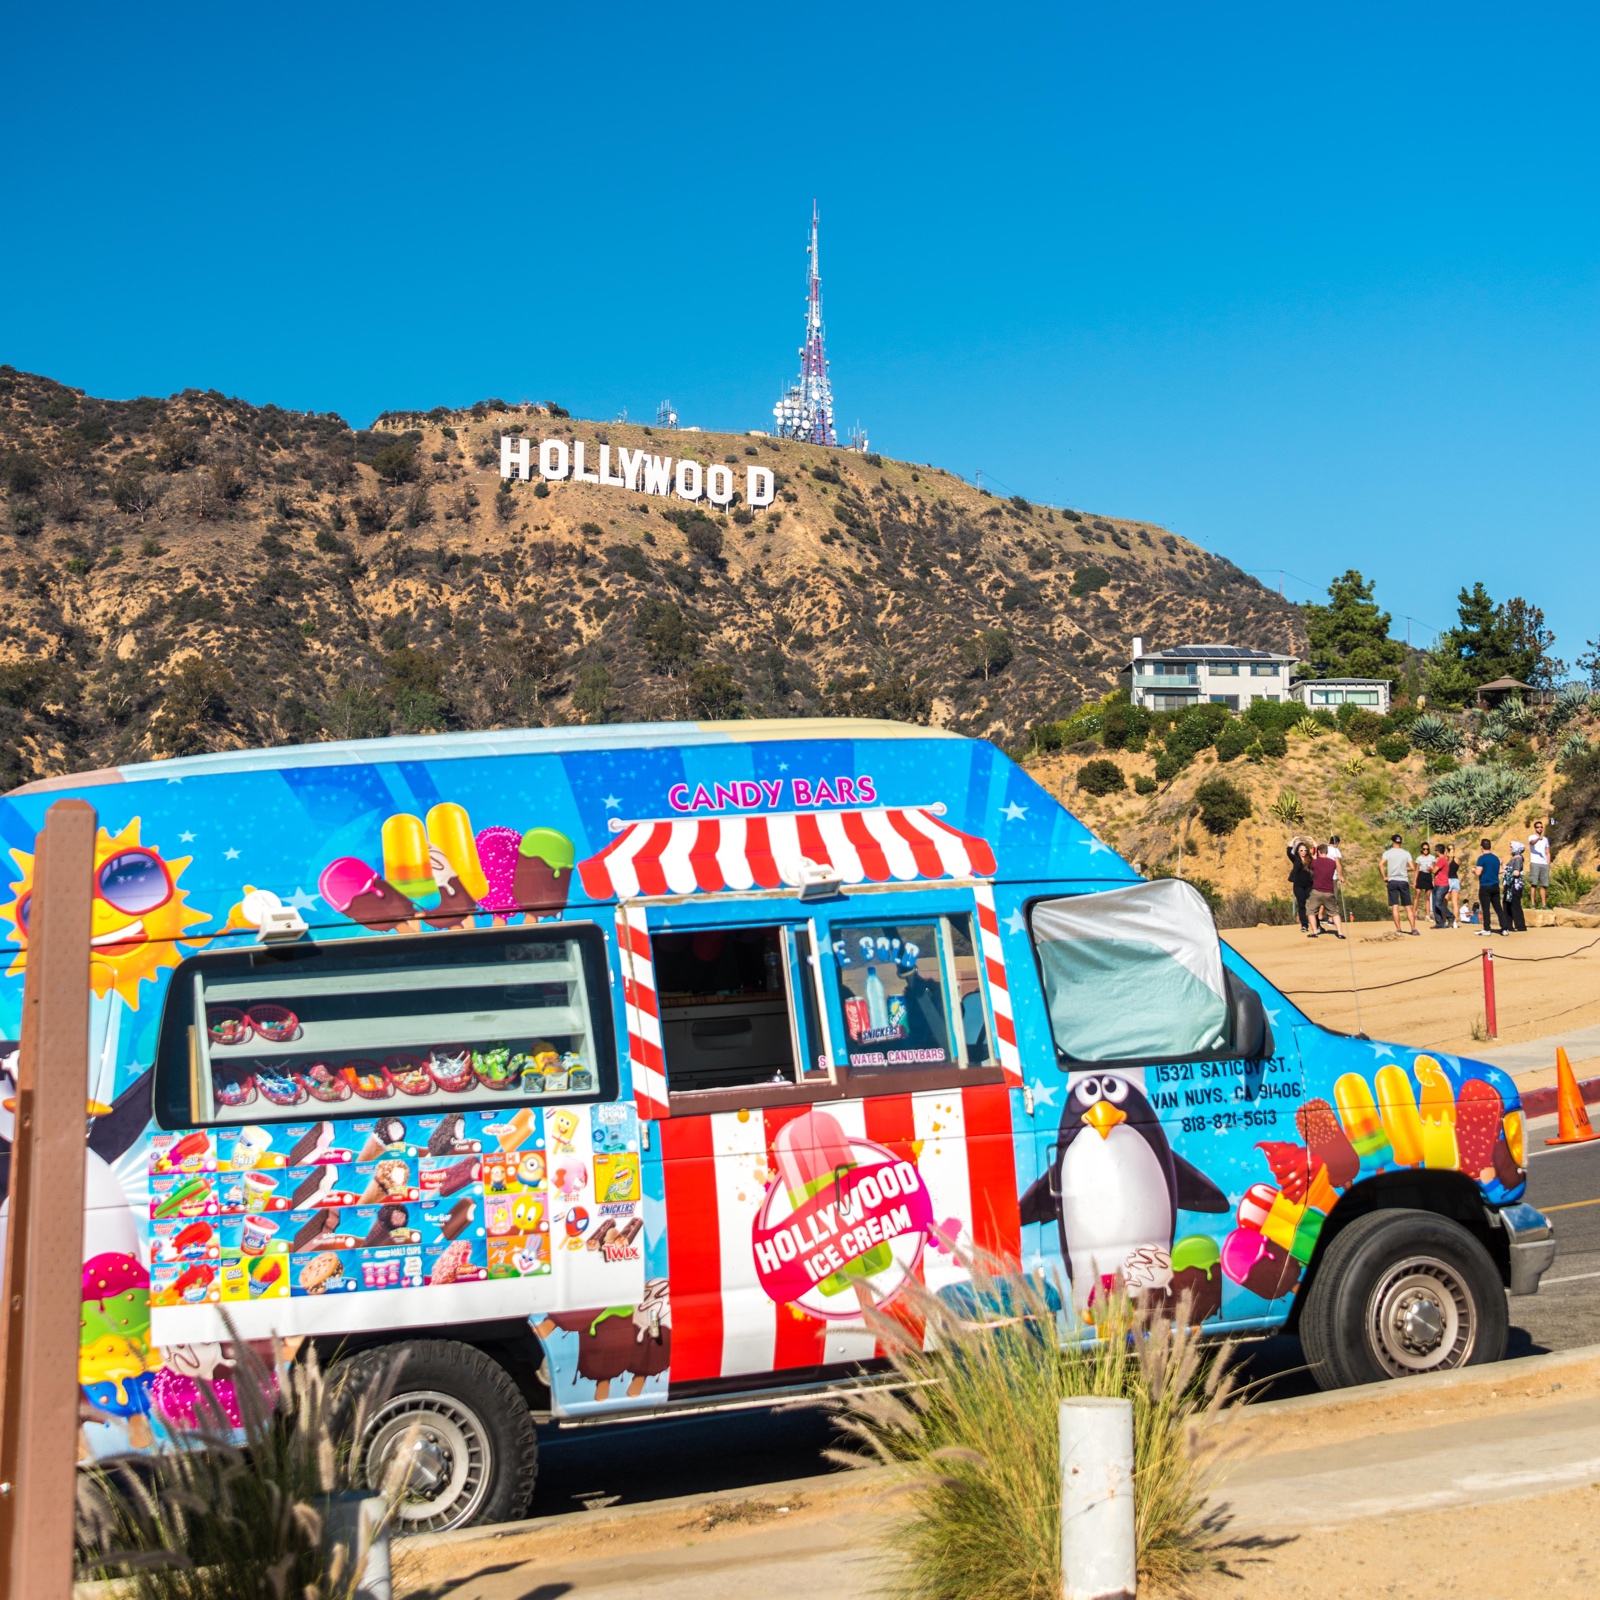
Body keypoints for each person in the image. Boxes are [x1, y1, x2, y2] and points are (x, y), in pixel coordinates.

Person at [1382, 832, 1419, 935]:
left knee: (1395, 906)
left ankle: (1398, 929)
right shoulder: (1406, 853)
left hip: (1392, 880)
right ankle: (1413, 929)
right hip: (1403, 881)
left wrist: (1384, 877)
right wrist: (1403, 868)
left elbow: (1380, 864)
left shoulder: (1388, 853)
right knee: (1407, 906)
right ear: (1400, 842)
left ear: (1392, 842)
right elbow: (1412, 867)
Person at [1306, 844, 1344, 939]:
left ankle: (1315, 932)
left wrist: (1314, 859)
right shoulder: (1332, 863)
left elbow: (1311, 873)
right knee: (1334, 912)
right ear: (1326, 851)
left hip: (1317, 891)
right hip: (1329, 891)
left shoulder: (1315, 862)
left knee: (1311, 911)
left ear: (1319, 852)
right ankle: (1340, 933)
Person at [1474, 837, 1505, 936]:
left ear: (1481, 847)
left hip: (1485, 886)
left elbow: (1478, 872)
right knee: (1498, 908)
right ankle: (1504, 928)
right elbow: (1497, 871)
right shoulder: (1496, 858)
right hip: (1495, 885)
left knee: (1486, 908)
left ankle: (1487, 928)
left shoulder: (1482, 858)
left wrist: (1473, 870)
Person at [1285, 837, 1316, 933]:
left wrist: (1313, 842)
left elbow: (1315, 852)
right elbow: (1288, 851)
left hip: (1309, 885)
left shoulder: (1310, 859)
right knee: (1301, 904)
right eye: (1301, 850)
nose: (1303, 852)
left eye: (1305, 850)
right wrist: (1293, 840)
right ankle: (1304, 925)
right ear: (1298, 851)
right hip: (1298, 885)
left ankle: (1316, 925)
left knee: (1312, 904)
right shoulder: (1296, 859)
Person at [1528, 818, 1552, 911]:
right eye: (1538, 827)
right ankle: (1533, 904)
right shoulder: (1532, 837)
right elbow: (1531, 843)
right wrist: (1538, 838)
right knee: (1534, 883)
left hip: (1544, 863)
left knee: (1544, 884)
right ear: (1535, 828)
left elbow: (1547, 851)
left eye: (1541, 827)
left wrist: (1548, 863)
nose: (1540, 829)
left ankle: (1544, 904)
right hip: (1535, 862)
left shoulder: (1545, 839)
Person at [1504, 840, 1529, 932]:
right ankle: (1508, 925)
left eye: (1511, 847)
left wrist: (1505, 872)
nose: (1510, 849)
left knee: (1515, 904)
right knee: (1507, 904)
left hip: (1515, 885)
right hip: (1509, 885)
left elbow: (1516, 872)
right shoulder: (1513, 858)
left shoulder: (1518, 858)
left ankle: (1520, 925)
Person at [1430, 845, 1454, 929]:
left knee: (1438, 903)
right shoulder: (1443, 859)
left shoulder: (1442, 860)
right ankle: (1439, 922)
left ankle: (1450, 916)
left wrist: (1430, 869)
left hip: (1442, 885)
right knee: (1434, 904)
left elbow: (1434, 870)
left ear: (1438, 851)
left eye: (1435, 851)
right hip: (1438, 884)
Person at [1415, 842, 1437, 929]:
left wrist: (1431, 871)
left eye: (1427, 849)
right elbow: (1416, 870)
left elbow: (1435, 869)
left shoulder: (1432, 858)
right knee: (1417, 895)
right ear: (1421, 849)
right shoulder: (1419, 858)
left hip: (1428, 876)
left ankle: (1427, 916)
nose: (1426, 850)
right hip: (1421, 875)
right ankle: (1414, 913)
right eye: (1424, 849)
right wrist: (1415, 881)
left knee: (1427, 897)